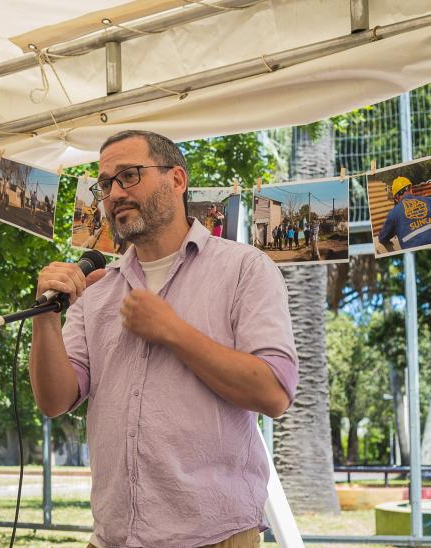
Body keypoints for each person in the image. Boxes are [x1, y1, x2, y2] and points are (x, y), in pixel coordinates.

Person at [30, 130, 297, 548]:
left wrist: (172, 331)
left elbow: (275, 392)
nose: (114, 193)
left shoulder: (244, 269)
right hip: (112, 537)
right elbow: (55, 400)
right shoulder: (96, 289)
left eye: (129, 176)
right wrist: (44, 317)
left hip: (213, 537)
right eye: (105, 184)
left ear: (177, 180)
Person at [378, 176, 431, 251]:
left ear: (396, 198)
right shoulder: (429, 200)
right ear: (411, 189)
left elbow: (382, 238)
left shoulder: (393, 214)